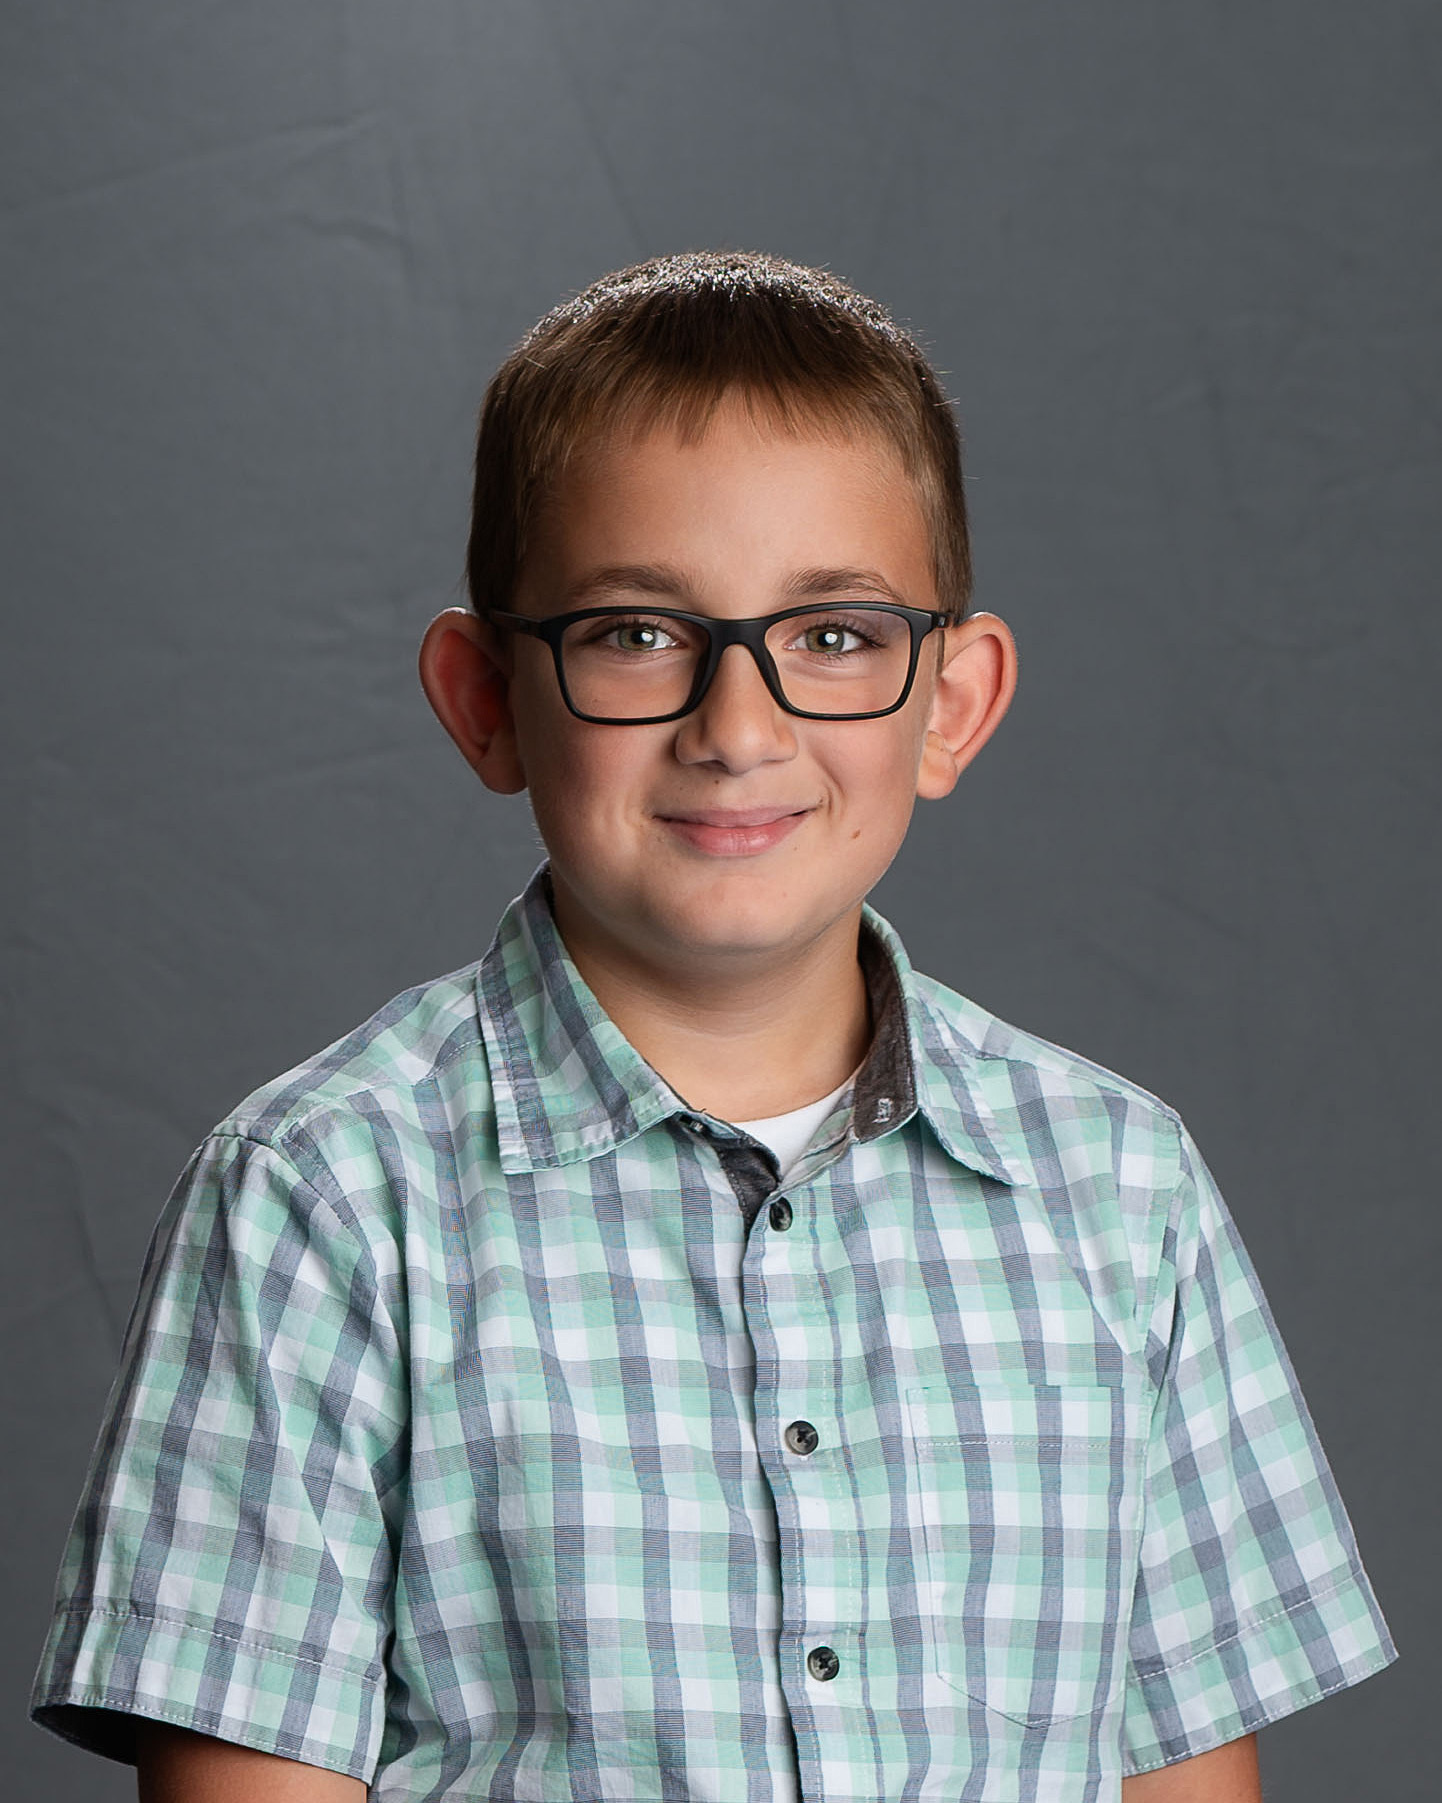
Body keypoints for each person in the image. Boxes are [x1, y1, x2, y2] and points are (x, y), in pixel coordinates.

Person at [30, 251, 1396, 1802]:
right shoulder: (322, 1194)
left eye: (833, 637)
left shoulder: (1119, 1189)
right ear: (485, 698)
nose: (737, 729)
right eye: (633, 634)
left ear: (949, 703)